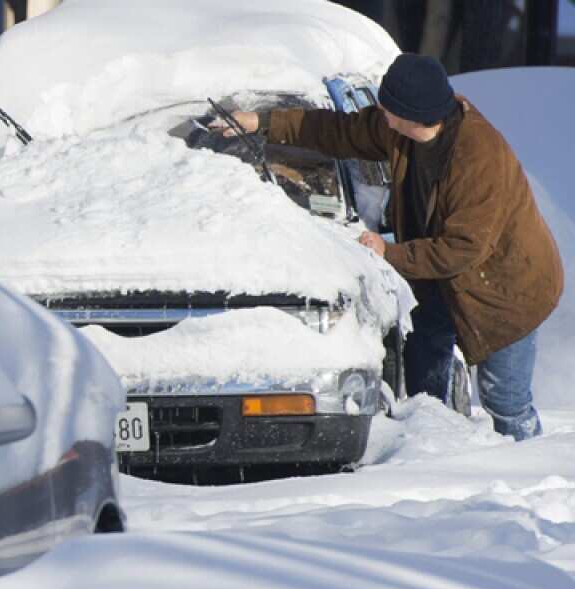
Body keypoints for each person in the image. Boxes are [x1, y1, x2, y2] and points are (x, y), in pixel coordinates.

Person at [213, 53, 563, 441]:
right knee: (426, 394)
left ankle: (524, 479)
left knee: (505, 401)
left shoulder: (478, 158)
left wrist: (389, 253)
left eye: (387, 106)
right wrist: (263, 122)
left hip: (504, 290)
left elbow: (462, 249)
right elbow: (339, 132)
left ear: (414, 114)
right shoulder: (401, 130)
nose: (380, 112)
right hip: (441, 279)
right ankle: (436, 452)